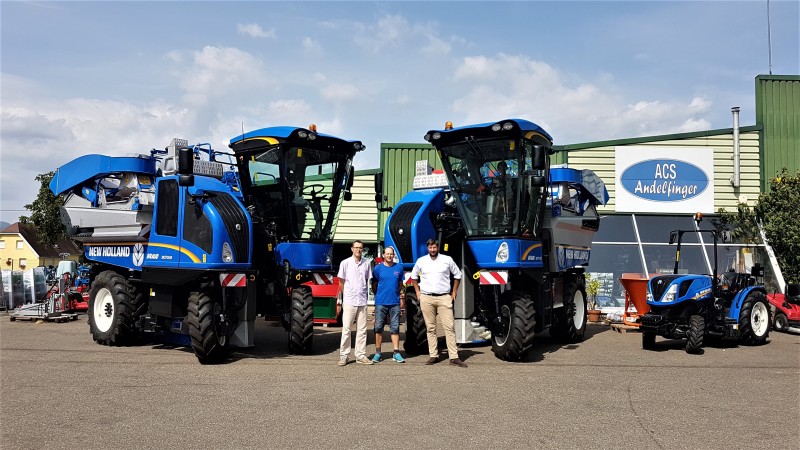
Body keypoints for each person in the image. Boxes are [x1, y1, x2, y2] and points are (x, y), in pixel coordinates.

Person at [410, 239, 467, 368]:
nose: (432, 250)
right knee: (430, 328)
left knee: (449, 327)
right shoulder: (421, 261)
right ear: (427, 248)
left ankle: (454, 357)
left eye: (434, 247)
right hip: (427, 298)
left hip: (444, 298)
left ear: (438, 247)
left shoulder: (447, 260)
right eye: (430, 247)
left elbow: (457, 275)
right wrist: (418, 292)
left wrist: (454, 292)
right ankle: (433, 355)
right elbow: (414, 277)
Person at [336, 240, 374, 366]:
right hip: (350, 301)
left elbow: (367, 281)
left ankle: (360, 355)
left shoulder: (366, 264)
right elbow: (341, 282)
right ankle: (344, 355)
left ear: (363, 250)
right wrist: (341, 299)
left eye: (360, 248)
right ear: (352, 249)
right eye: (356, 247)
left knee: (362, 330)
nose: (358, 250)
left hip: (362, 301)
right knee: (347, 329)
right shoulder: (345, 263)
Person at [371, 246, 406, 363]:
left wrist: (397, 294)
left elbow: (400, 284)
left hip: (394, 303)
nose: (389, 256)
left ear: (393, 255)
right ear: (383, 255)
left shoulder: (399, 268)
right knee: (378, 328)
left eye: (391, 254)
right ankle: (378, 353)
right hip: (381, 302)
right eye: (387, 254)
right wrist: (379, 296)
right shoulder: (377, 269)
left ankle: (396, 352)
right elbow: (374, 285)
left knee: (395, 328)